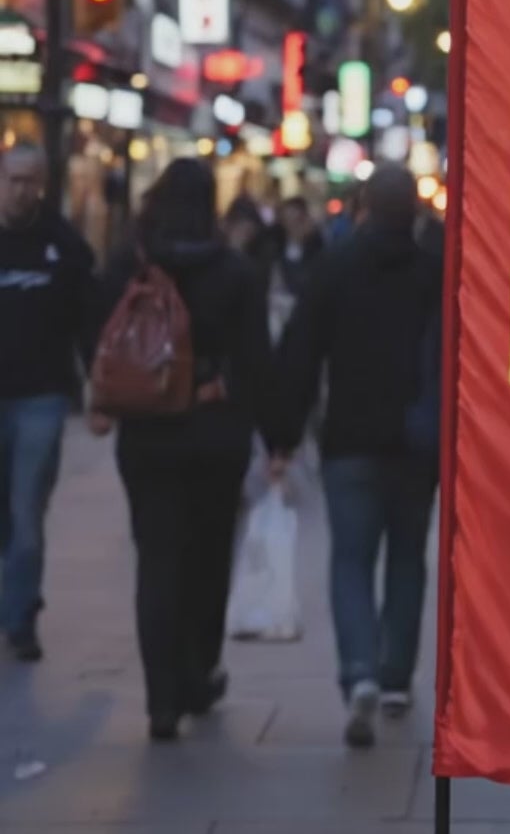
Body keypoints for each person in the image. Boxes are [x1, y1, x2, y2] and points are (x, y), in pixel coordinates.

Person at [100, 159, 273, 741]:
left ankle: (161, 701)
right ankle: (198, 671)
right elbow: (257, 360)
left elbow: (98, 331)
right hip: (213, 428)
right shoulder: (234, 270)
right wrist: (276, 436)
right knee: (208, 556)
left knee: (157, 559)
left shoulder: (130, 264)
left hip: (147, 432)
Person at [273, 163, 441, 748]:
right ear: (415, 211)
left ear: (365, 207)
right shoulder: (433, 272)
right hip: (418, 444)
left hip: (349, 440)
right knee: (406, 559)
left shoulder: (336, 269)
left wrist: (282, 436)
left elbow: (300, 352)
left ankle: (360, 671)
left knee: (350, 560)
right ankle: (397, 678)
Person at [0, 142, 98, 660]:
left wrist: (97, 382)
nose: (21, 190)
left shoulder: (63, 245)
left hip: (41, 397)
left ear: (42, 183)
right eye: (13, 179)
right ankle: (14, 593)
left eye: (30, 181)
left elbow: (88, 319)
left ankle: (19, 619)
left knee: (27, 509)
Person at [277, 195, 324, 301]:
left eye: (297, 221)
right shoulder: (275, 247)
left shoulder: (316, 248)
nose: (292, 225)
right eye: (287, 220)